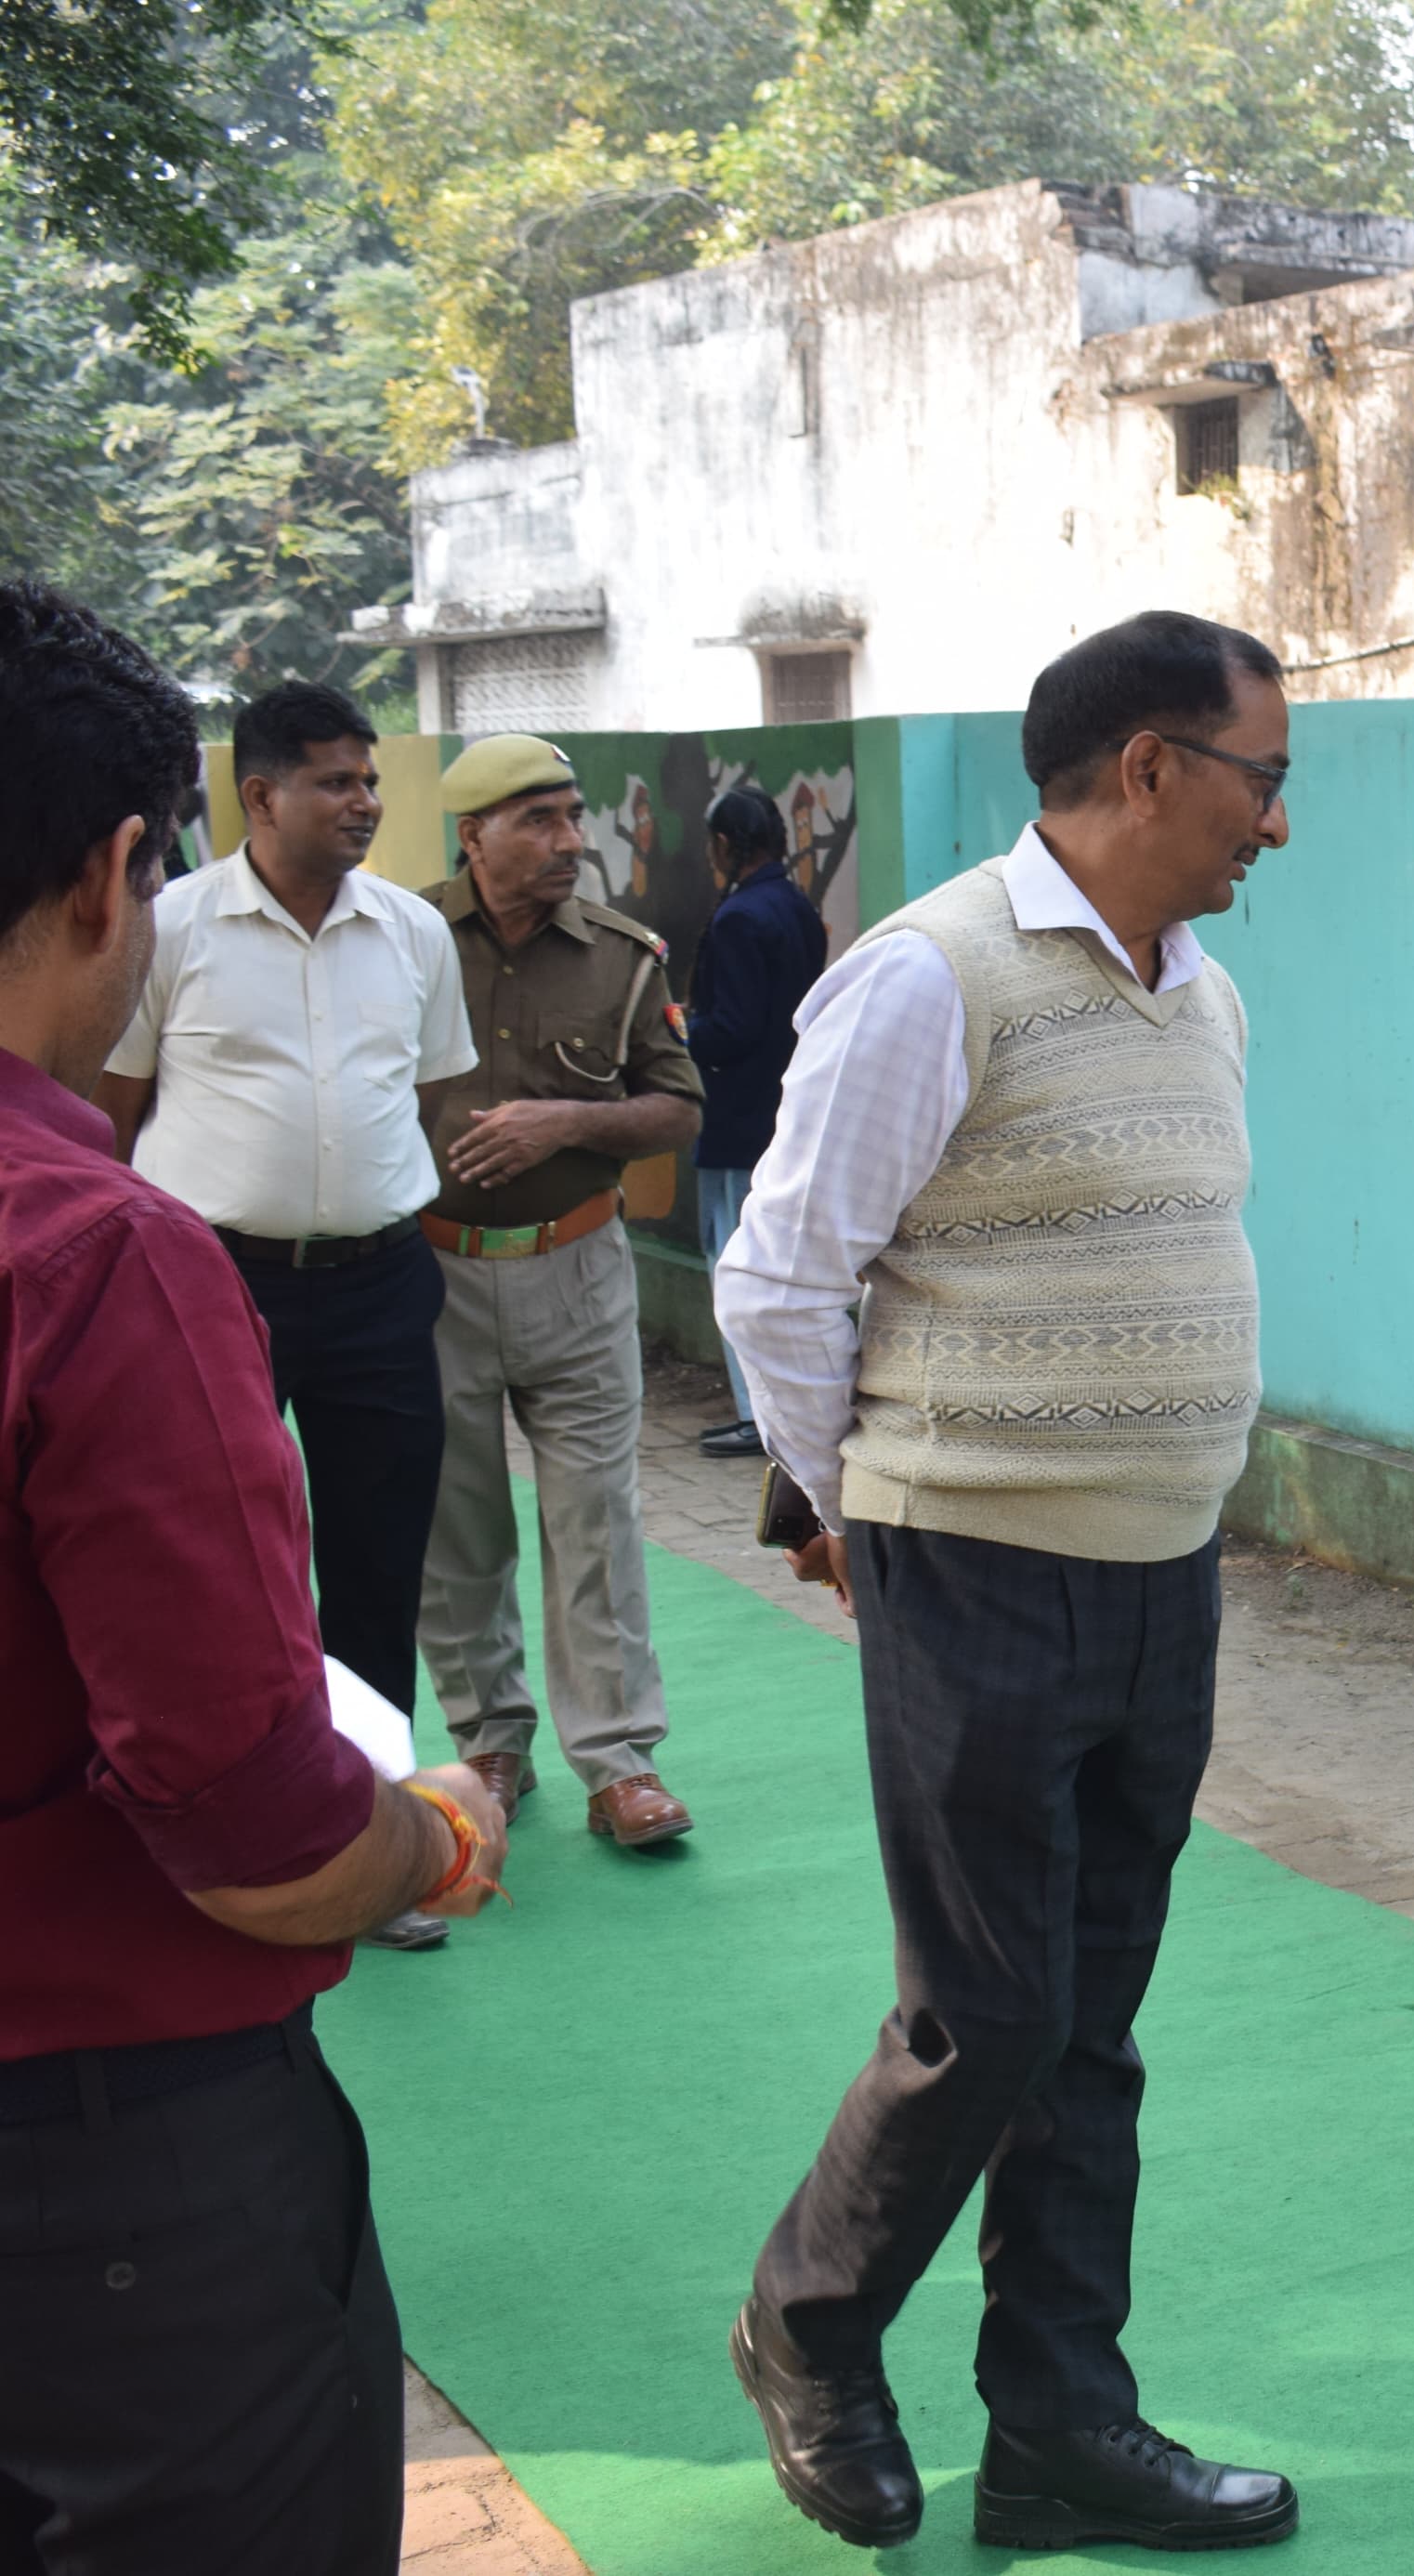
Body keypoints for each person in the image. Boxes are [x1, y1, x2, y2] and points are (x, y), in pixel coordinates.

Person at [716, 610, 1292, 2553]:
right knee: (987, 2010)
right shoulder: (931, 972)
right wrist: (844, 1510)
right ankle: (807, 2325)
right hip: (972, 1567)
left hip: (1161, 1572)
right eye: (1262, 779)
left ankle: (1058, 2427)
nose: (1277, 824)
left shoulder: (1203, 993)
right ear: (1148, 767)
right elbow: (783, 1274)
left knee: (1091, 2019)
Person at [0, 582, 512, 2575]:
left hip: (373, 1281)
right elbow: (247, 1827)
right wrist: (426, 1840)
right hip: (105, 2160)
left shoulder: (403, 949)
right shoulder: (92, 1256)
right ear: (121, 872)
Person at [92, 681, 479, 1954]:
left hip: (381, 1286)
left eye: (368, 779)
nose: (364, 801)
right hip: (213, 1286)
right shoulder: (172, 926)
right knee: (214, 1569)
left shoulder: (413, 932)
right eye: (334, 781)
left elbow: (425, 1102)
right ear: (259, 796)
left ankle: (369, 1849)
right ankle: (213, 1844)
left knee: (376, 1563)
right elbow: (113, 1117)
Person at [415, 736, 709, 1851]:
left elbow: (677, 1107)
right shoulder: (402, 943)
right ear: (474, 835)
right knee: (458, 1519)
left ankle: (620, 1761)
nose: (569, 840)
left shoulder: (623, 957)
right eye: (538, 819)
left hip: (581, 1270)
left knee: (596, 1519)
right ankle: (489, 1737)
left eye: (573, 815)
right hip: (432, 1273)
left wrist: (568, 1122)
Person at [686, 784, 830, 1460]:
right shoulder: (796, 907)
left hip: (739, 1117)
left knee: (733, 1262)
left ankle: (757, 1415)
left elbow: (733, 1028)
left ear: (724, 845)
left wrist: (678, 1030)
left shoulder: (740, 917)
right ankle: (774, 1414)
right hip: (786, 1111)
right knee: (776, 1268)